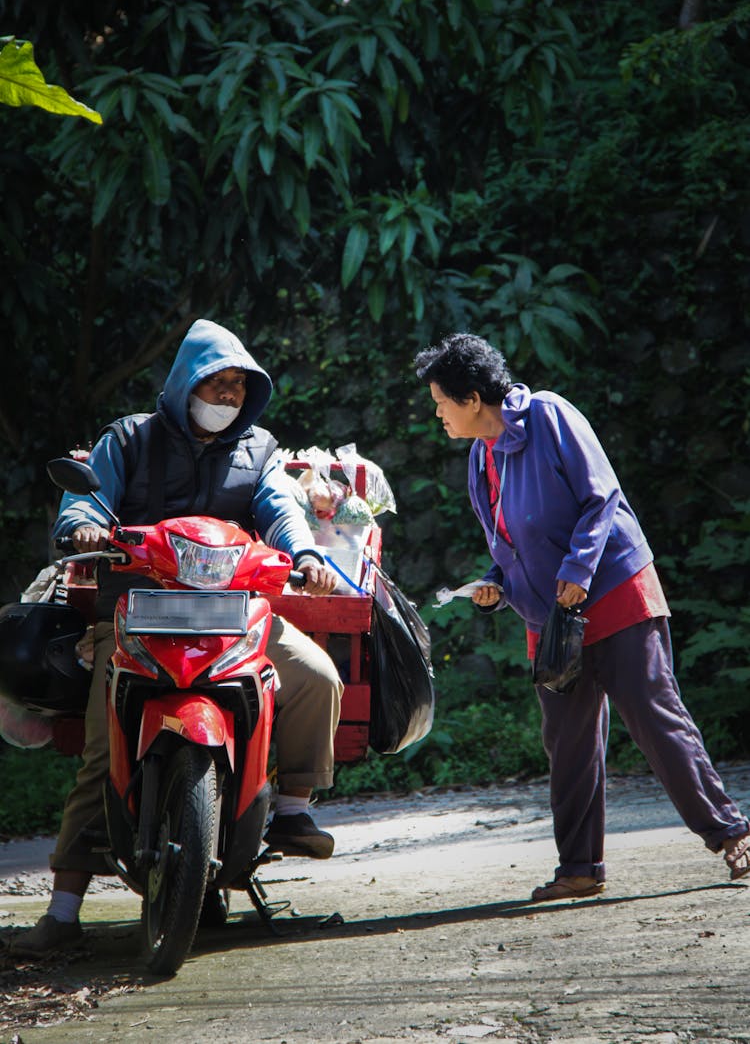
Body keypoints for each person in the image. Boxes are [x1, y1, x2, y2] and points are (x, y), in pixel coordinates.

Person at [13, 318, 343, 955]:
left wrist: (304, 555)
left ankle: (294, 807)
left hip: (233, 615)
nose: (225, 400)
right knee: (101, 747)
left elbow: (280, 508)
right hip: (139, 614)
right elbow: (88, 501)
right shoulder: (129, 439)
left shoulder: (259, 450)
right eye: (214, 386)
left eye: (236, 391)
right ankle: (62, 909)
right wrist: (82, 526)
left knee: (315, 678)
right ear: (184, 384)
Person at [414, 332, 750, 901]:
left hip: (614, 587)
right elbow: (509, 542)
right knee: (566, 739)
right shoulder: (479, 458)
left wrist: (578, 569)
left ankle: (732, 832)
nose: (438, 415)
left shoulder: (548, 414)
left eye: (441, 402)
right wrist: (495, 583)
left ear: (472, 398)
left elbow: (603, 496)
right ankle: (579, 868)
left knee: (652, 714)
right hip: (551, 617)